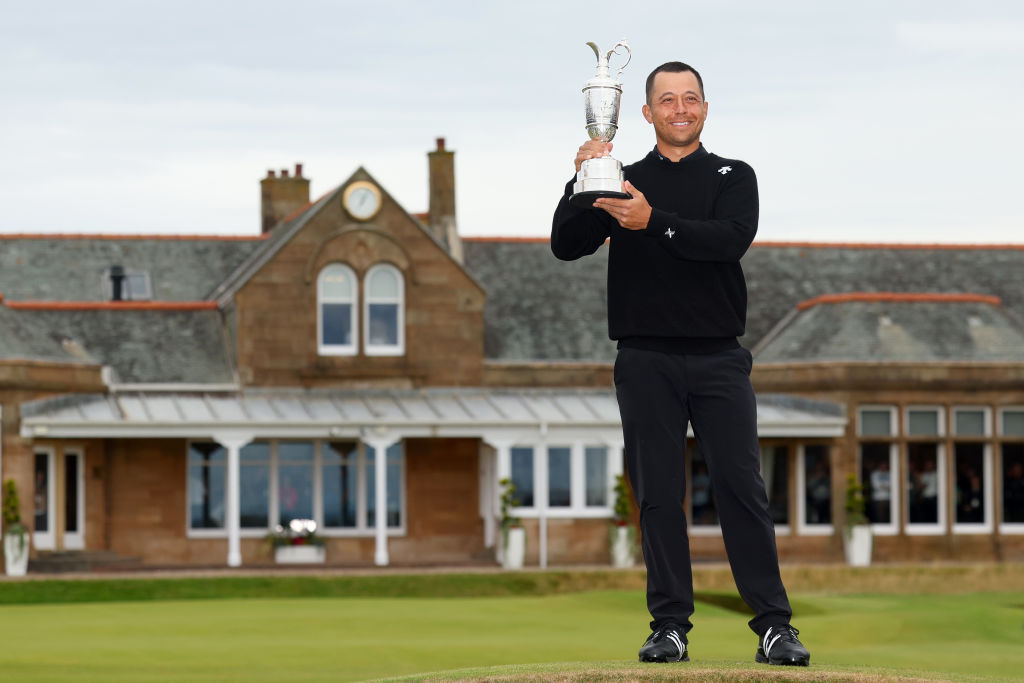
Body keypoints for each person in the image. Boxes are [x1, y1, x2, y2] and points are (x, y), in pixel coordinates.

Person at [551, 61, 809, 667]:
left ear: (705, 108)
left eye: (690, 98)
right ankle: (669, 626)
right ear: (646, 113)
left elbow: (727, 240)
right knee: (659, 496)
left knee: (741, 489)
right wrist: (583, 176)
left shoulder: (732, 175)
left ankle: (774, 627)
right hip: (644, 357)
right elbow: (566, 245)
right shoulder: (620, 176)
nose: (680, 108)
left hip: (719, 357)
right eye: (667, 100)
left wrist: (652, 222)